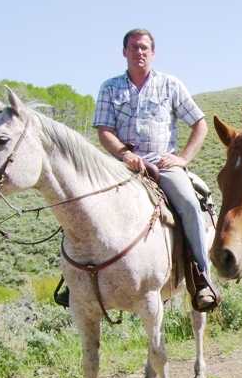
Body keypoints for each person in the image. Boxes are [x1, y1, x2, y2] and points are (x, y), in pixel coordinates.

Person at [92, 28, 219, 311]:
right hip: (121, 167)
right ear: (124, 51)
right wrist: (124, 154)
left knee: (188, 204)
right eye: (134, 47)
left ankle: (201, 280)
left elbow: (200, 124)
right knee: (84, 201)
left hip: (163, 165)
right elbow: (104, 132)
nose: (139, 52)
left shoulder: (170, 85)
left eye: (144, 48)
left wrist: (183, 159)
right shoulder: (110, 88)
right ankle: (75, 280)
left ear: (153, 52)